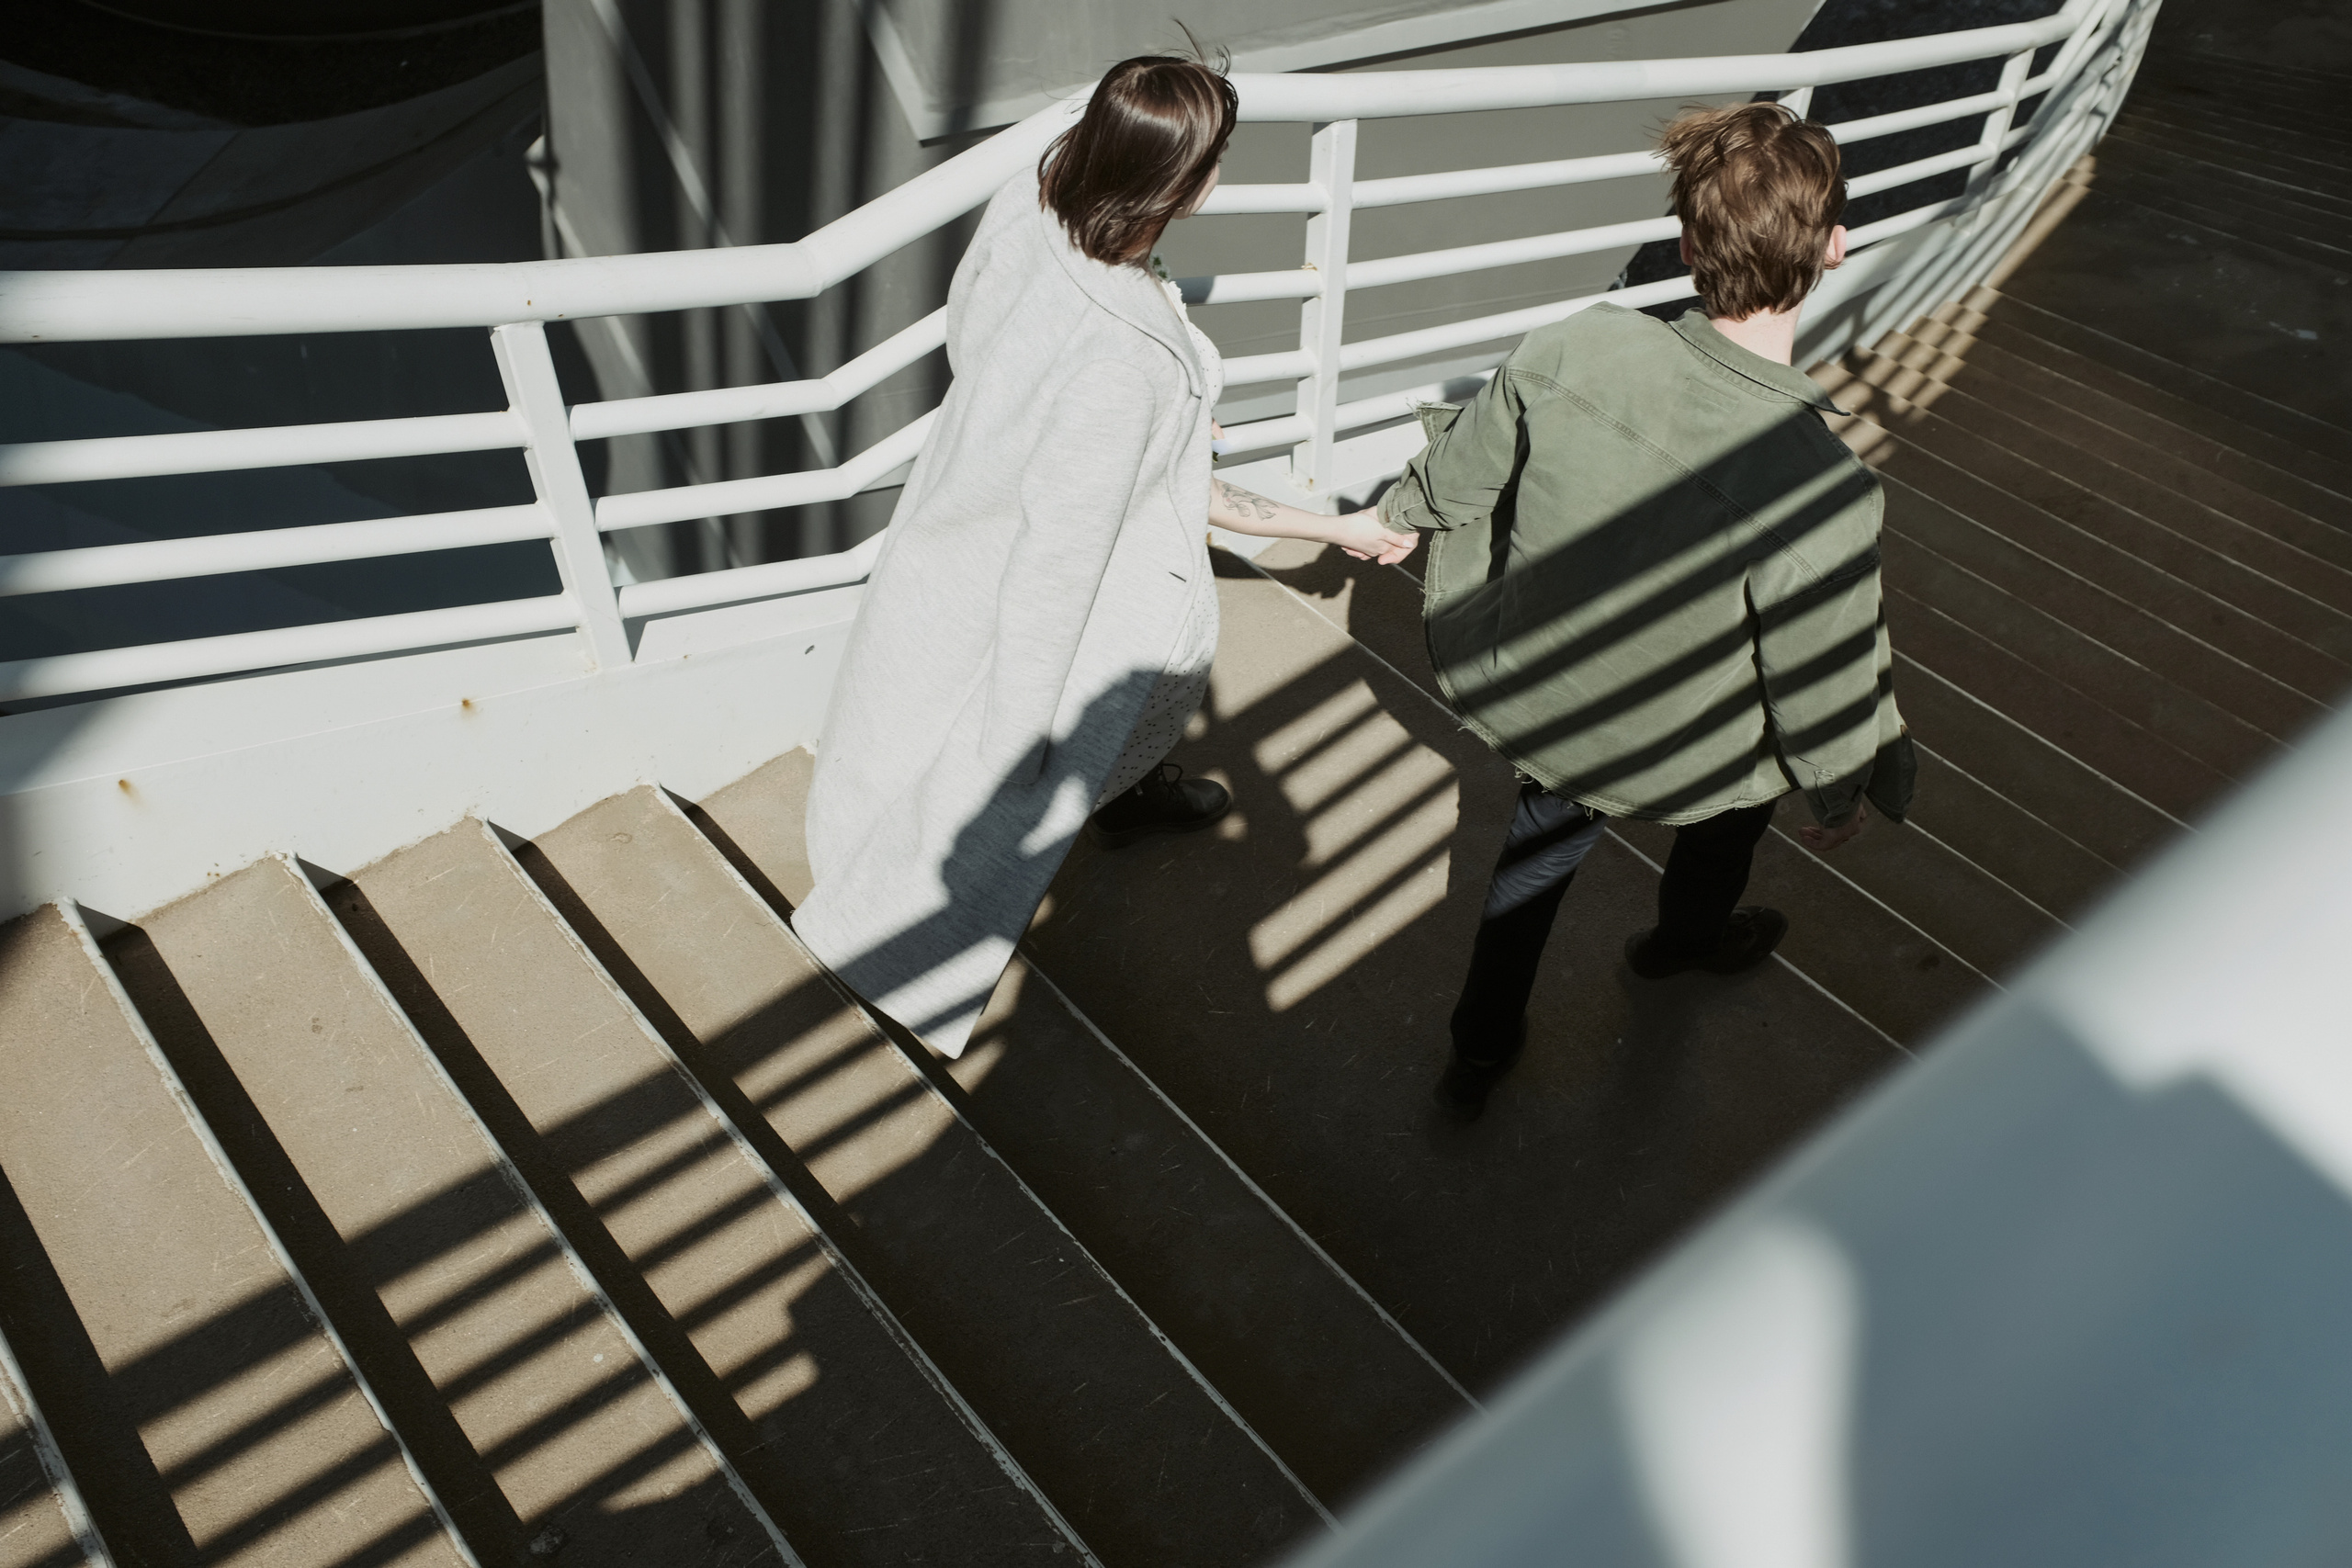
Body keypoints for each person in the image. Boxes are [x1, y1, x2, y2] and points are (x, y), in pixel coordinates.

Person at [795, 51, 1418, 1058]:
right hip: (1033, 578)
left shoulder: (1037, 194)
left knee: (909, 724)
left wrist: (1329, 527)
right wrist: (1028, 734)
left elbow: (972, 331)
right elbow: (1067, 567)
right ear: (1180, 184)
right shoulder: (1119, 366)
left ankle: (1116, 795)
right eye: (1214, 160)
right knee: (982, 774)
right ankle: (895, 944)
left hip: (960, 518)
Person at [1379, 101, 1917, 1120]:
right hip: (1686, 747)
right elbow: (1818, 676)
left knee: (1532, 860)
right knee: (1738, 798)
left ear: (1686, 243)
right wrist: (1841, 789)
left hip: (1554, 701)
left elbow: (1452, 486)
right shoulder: (1824, 486)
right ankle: (1682, 942)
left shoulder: (1574, 346)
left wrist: (1388, 518)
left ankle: (1481, 1045)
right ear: (1835, 247)